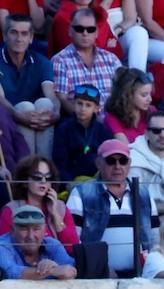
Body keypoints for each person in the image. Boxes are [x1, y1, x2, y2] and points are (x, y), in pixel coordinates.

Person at [67, 136, 158, 276]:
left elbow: (155, 237)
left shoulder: (143, 193)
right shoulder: (81, 193)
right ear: (98, 163)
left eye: (123, 161)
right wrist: (98, 266)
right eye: (111, 161)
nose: (117, 166)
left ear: (129, 163)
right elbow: (74, 238)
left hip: (141, 276)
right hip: (97, 276)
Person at [0, 16, 60, 157]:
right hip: (8, 117)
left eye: (24, 33)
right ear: (4, 36)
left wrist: (56, 113)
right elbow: (0, 98)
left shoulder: (42, 62)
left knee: (45, 104)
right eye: (14, 32)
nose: (19, 39)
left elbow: (51, 95)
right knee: (25, 107)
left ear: (31, 38)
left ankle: (44, 166)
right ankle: (28, 170)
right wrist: (17, 113)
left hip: (36, 119)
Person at [0, 155, 80, 250]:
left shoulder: (60, 207)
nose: (43, 181)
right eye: (37, 177)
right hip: (24, 264)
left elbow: (73, 248)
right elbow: (5, 250)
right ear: (25, 181)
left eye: (48, 177)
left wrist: (55, 215)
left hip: (60, 263)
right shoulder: (11, 210)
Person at [51, 7, 121, 114]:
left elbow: (124, 92)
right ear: (70, 31)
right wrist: (90, 119)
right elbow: (63, 100)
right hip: (81, 123)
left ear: (96, 32)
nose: (85, 33)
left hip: (113, 121)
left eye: (90, 29)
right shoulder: (60, 61)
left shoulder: (111, 60)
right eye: (79, 29)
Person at [0, 203, 78, 278]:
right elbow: (8, 272)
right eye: (24, 229)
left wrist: (57, 268)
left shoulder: (53, 244)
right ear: (12, 230)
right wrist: (50, 271)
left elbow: (71, 269)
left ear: (45, 230)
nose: (30, 236)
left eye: (36, 229)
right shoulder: (2, 245)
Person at [103, 66, 153, 143]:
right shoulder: (112, 119)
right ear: (128, 95)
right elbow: (127, 150)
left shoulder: (151, 111)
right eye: (144, 95)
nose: (150, 99)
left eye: (150, 94)